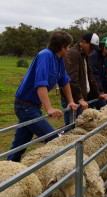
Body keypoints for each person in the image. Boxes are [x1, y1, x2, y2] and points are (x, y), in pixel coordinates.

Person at [7, 31, 78, 162]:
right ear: (62, 46)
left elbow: (64, 80)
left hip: (33, 106)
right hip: (25, 106)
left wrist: (71, 101)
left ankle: (7, 173)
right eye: (68, 47)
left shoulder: (59, 59)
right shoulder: (45, 56)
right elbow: (40, 85)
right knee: (53, 139)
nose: (69, 50)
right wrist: (49, 108)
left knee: (19, 146)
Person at [61, 33, 107, 126]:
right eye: (90, 47)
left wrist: (98, 94)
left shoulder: (84, 54)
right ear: (83, 42)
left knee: (80, 127)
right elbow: (72, 78)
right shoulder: (74, 53)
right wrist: (79, 98)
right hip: (74, 99)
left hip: (81, 99)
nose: (92, 50)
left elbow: (91, 76)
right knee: (71, 129)